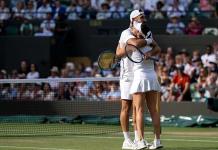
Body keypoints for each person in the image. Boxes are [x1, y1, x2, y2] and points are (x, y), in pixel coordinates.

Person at [116, 9, 150, 150]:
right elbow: (134, 45)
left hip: (139, 73)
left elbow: (153, 47)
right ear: (132, 20)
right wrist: (147, 40)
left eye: (143, 17)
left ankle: (138, 139)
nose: (143, 19)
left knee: (138, 108)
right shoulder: (126, 33)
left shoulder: (145, 31)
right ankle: (126, 140)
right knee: (126, 107)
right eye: (140, 17)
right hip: (127, 75)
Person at [129, 22, 163, 149]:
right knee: (154, 110)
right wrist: (151, 52)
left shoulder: (132, 42)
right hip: (152, 77)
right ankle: (157, 141)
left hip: (140, 78)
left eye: (134, 29)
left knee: (139, 110)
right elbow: (158, 48)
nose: (132, 30)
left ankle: (141, 141)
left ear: (139, 32)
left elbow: (124, 50)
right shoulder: (150, 42)